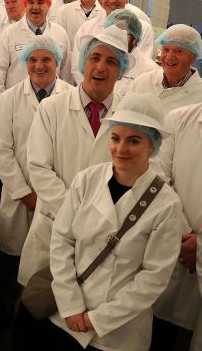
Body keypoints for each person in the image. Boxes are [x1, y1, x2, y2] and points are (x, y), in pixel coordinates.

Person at [13, 25, 130, 350]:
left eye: (111, 61)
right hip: (53, 233)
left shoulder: (128, 116)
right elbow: (39, 168)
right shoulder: (53, 109)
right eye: (95, 57)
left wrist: (98, 221)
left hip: (104, 242)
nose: (101, 67)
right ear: (83, 63)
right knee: (36, 325)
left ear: (122, 71)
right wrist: (79, 216)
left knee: (80, 330)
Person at [47, 93, 181, 351]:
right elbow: (62, 240)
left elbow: (153, 278)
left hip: (118, 334)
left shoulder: (166, 204)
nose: (120, 149)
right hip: (67, 315)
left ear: (152, 145)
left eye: (134, 141)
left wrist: (97, 319)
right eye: (115, 138)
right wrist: (72, 305)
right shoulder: (86, 180)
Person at [0, 36, 72, 330]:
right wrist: (25, 193)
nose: (39, 66)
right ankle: (5, 306)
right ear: (25, 64)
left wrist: (49, 196)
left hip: (55, 195)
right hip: (20, 194)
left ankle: (36, 319)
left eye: (46, 60)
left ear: (57, 63)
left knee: (47, 262)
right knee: (12, 260)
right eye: (33, 60)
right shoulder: (10, 98)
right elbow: (3, 149)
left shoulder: (70, 97)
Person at [152, 99, 202, 351]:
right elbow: (157, 177)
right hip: (171, 248)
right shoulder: (178, 119)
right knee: (159, 334)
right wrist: (183, 235)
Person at [0, 0, 72, 112]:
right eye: (30, 2)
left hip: (53, 105)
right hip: (16, 105)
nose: (35, 7)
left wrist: (65, 103)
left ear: (49, 5)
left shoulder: (60, 33)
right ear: (25, 5)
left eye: (40, 2)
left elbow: (66, 73)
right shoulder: (9, 33)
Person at [71, 0, 154, 82]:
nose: (112, 0)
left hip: (127, 92)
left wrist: (114, 92)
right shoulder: (87, 28)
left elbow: (142, 66)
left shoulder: (143, 28)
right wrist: (93, 91)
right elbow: (77, 67)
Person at [127, 24, 202, 112]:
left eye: (179, 51)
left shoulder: (199, 94)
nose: (169, 57)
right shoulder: (143, 82)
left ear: (193, 57)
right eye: (166, 49)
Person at [103, 9, 160, 96]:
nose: (114, 36)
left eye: (122, 33)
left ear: (134, 38)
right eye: (111, 31)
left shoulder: (151, 72)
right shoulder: (102, 62)